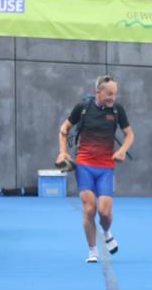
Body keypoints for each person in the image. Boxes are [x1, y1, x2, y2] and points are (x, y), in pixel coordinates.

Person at [55, 75, 134, 263]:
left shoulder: (117, 110)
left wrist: (122, 150)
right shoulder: (83, 108)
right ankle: (92, 251)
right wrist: (63, 153)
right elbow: (64, 129)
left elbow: (129, 134)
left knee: (105, 213)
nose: (112, 98)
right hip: (84, 165)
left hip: (106, 167)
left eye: (114, 94)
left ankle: (106, 232)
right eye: (109, 94)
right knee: (89, 209)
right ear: (98, 92)